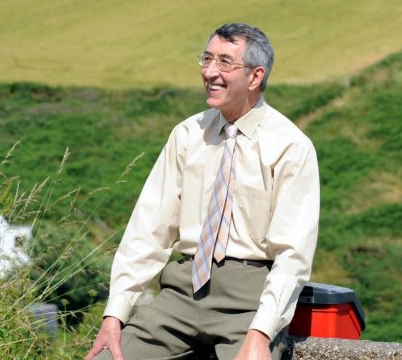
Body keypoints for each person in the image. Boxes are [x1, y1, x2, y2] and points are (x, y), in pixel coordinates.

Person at [85, 22, 320, 360]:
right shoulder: (186, 135)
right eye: (207, 59)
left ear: (255, 77)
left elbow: (293, 255)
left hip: (248, 303)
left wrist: (260, 333)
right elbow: (148, 231)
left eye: (225, 62)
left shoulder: (291, 147)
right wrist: (114, 315)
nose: (210, 72)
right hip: (179, 295)